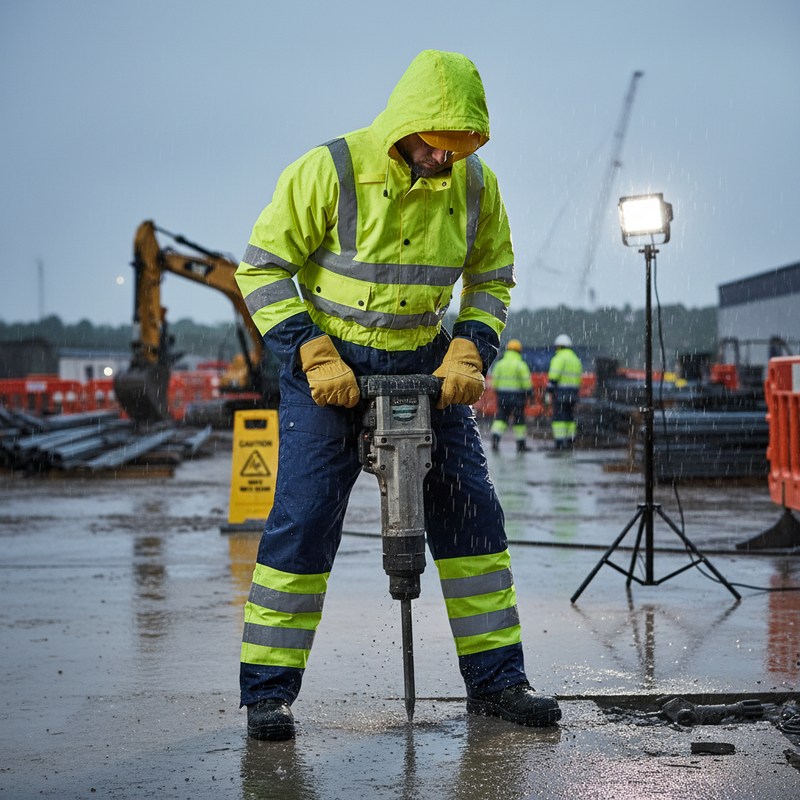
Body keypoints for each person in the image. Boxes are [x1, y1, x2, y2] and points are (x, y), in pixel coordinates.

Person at [234, 49, 561, 741]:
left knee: (472, 516)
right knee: (304, 519)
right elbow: (261, 268)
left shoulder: (477, 186)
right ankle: (268, 695)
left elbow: (493, 278)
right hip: (328, 370)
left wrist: (471, 347)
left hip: (424, 361)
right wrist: (312, 352)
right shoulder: (331, 169)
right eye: (436, 147)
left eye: (459, 149)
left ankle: (500, 682)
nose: (446, 162)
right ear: (405, 126)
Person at [489, 339, 532, 453]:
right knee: (519, 421)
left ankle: (495, 438)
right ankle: (521, 445)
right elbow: (526, 382)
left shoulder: (500, 364)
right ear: (519, 351)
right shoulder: (520, 364)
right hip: (518, 397)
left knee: (501, 418)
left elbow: (495, 382)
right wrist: (529, 392)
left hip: (503, 396)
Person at [546, 334, 583, 449]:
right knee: (570, 417)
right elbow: (579, 378)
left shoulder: (559, 358)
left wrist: (549, 391)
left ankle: (559, 442)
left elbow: (553, 378)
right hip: (573, 393)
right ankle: (570, 440)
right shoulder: (575, 359)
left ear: (559, 346)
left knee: (559, 418)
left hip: (561, 392)